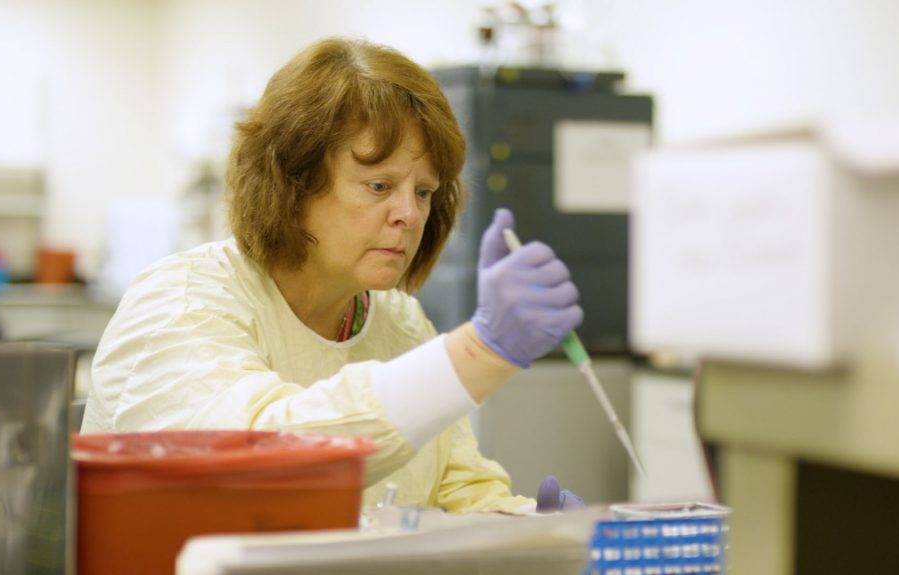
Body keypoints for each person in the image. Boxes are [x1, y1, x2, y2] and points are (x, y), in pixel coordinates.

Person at [80, 37, 583, 514]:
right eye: (379, 185)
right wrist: (478, 353)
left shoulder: (399, 322)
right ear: (291, 184)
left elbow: (455, 489)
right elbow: (267, 455)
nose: (408, 214)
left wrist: (527, 523)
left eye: (424, 191)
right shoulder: (182, 303)